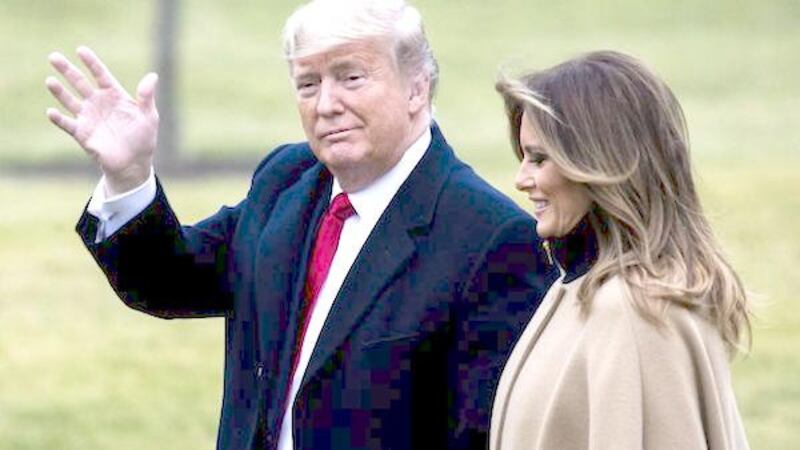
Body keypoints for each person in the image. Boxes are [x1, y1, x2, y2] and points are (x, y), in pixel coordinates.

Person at [45, 1, 554, 449]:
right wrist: (130, 175)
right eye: (308, 84)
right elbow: (169, 281)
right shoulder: (286, 180)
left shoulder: (491, 238)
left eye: (351, 78)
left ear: (416, 88)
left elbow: (483, 435)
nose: (326, 105)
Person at [490, 50, 752, 450]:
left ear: (599, 164)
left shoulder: (632, 311)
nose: (521, 179)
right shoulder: (584, 287)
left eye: (539, 159)